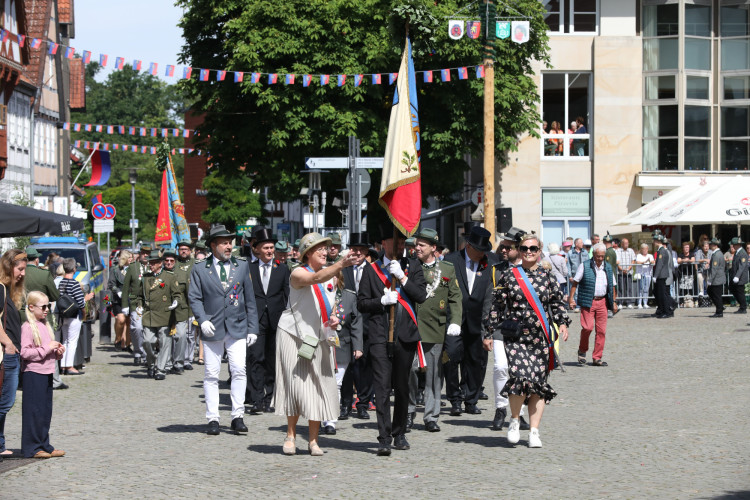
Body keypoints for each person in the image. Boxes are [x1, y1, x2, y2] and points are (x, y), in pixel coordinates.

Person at [273, 232, 357, 456]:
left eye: (326, 248)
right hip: (293, 335)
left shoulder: (331, 275)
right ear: (307, 253)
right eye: (319, 248)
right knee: (296, 387)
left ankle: (313, 440)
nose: (324, 251)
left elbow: (330, 303)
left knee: (319, 388)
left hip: (319, 337)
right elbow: (314, 279)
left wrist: (335, 318)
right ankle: (291, 436)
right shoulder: (298, 272)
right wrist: (340, 264)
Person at [486, 233, 570, 448]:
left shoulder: (548, 277)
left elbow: (557, 303)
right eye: (524, 248)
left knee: (538, 384)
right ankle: (514, 420)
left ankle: (534, 431)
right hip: (516, 338)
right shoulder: (510, 276)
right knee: (519, 378)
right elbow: (497, 306)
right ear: (520, 251)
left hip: (540, 337)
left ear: (539, 251)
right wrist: (488, 332)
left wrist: (562, 323)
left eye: (533, 249)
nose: (529, 252)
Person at [357, 221, 427, 456]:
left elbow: (421, 296)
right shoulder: (371, 269)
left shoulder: (413, 266)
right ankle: (384, 436)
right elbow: (362, 303)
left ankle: (400, 432)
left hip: (405, 336)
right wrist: (381, 302)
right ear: (384, 244)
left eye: (401, 242)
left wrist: (403, 278)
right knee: (382, 388)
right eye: (393, 242)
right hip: (379, 335)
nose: (398, 246)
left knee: (403, 387)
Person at [188, 225, 259, 436]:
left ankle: (237, 415)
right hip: (213, 327)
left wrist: (252, 328)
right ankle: (213, 418)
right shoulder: (200, 268)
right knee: (211, 373)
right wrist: (202, 320)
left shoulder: (241, 266)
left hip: (237, 325)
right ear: (213, 245)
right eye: (224, 243)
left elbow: (249, 299)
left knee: (238, 369)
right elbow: (194, 297)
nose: (229, 247)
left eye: (230, 242)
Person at [406, 228, 462, 433]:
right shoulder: (409, 266)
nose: (417, 247)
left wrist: (455, 321)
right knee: (410, 371)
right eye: (416, 244)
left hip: (434, 327)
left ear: (433, 248)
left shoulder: (446, 269)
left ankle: (431, 416)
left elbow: (455, 297)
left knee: (433, 374)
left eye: (421, 244)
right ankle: (409, 412)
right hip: (410, 327)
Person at [444, 226, 496, 417]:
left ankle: (471, 399)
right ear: (468, 246)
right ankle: (455, 399)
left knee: (477, 362)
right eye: (478, 250)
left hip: (478, 321)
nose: (481, 254)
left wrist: (488, 324)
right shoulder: (450, 261)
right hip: (453, 321)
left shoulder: (490, 264)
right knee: (449, 358)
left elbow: (491, 295)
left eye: (484, 251)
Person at [248, 227, 290, 414]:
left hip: (276, 318)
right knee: (256, 358)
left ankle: (270, 396)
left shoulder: (282, 269)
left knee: (273, 360)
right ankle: (256, 398)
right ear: (257, 249)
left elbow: (287, 295)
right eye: (265, 248)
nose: (269, 251)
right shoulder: (248, 268)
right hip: (255, 319)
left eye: (271, 248)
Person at [20, 291, 65, 458]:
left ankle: (44, 443)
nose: (47, 309)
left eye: (49, 306)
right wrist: (47, 348)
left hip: (46, 371)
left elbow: (47, 351)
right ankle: (32, 447)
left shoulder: (44, 325)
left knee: (45, 411)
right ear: (31, 308)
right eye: (43, 306)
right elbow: (25, 352)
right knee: (34, 411)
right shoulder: (27, 327)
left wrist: (57, 352)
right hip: (33, 373)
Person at [321, 259, 363, 435]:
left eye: (333, 277)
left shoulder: (349, 296)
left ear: (338, 278)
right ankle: (321, 418)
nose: (330, 280)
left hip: (342, 346)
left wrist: (358, 346)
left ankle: (331, 420)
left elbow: (356, 323)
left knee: (336, 384)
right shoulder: (316, 295)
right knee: (322, 384)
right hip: (320, 344)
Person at [339, 232, 374, 420]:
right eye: (355, 249)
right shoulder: (342, 269)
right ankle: (345, 404)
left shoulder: (374, 269)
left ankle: (363, 403)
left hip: (368, 323)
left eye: (362, 250)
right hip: (346, 325)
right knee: (346, 366)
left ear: (367, 251)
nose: (358, 253)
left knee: (365, 366)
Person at [23, 247, 65, 391]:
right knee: (48, 344)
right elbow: (54, 296)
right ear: (36, 260)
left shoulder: (17, 273)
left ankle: (20, 380)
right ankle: (54, 379)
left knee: (23, 347)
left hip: (20, 315)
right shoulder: (43, 274)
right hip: (41, 316)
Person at [569, 243, 615, 366]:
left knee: (601, 331)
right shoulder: (584, 266)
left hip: (602, 302)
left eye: (602, 256)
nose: (600, 259)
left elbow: (612, 285)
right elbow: (575, 282)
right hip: (588, 301)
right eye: (598, 256)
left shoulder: (608, 267)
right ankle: (582, 350)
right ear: (593, 254)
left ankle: (597, 357)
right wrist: (571, 298)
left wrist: (614, 302)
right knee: (587, 327)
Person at [137, 250, 180, 380]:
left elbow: (177, 293)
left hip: (164, 314)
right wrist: (139, 305)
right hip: (149, 315)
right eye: (150, 263)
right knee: (147, 341)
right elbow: (139, 295)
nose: (151, 265)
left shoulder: (170, 277)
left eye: (154, 263)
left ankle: (161, 369)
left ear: (160, 263)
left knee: (164, 342)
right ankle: (151, 364)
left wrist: (176, 301)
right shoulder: (146, 278)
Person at [0, 249, 27, 458]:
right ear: (9, 267)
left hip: (11, 353)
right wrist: (8, 343)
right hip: (5, 354)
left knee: (5, 403)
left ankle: (0, 445)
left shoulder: (9, 291)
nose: (23, 274)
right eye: (20, 269)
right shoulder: (0, 289)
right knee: (4, 402)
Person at [58, 258, 93, 375]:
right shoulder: (74, 283)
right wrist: (86, 300)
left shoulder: (62, 283)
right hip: (74, 315)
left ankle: (63, 366)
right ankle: (69, 366)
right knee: (72, 341)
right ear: (74, 269)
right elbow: (81, 303)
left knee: (65, 341)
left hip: (64, 315)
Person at [122, 246, 151, 365]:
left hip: (150, 304)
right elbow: (125, 287)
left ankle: (146, 354)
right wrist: (125, 305)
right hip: (136, 303)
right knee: (137, 327)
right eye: (143, 253)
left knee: (147, 330)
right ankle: (138, 352)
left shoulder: (153, 266)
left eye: (147, 253)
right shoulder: (133, 267)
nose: (145, 255)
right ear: (139, 254)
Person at [175, 241, 197, 371]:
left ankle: (188, 359)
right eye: (181, 249)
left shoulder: (195, 264)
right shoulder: (174, 264)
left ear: (190, 251)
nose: (183, 251)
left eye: (186, 249)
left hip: (192, 303)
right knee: (178, 334)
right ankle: (178, 358)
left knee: (190, 334)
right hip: (179, 304)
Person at [108, 250, 132, 352]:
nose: (131, 259)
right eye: (129, 257)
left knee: (129, 321)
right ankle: (118, 339)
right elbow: (111, 284)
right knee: (121, 319)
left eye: (132, 257)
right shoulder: (115, 270)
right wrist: (117, 291)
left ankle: (127, 344)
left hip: (130, 298)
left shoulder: (133, 269)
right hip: (119, 299)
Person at [653, 235, 674, 318]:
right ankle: (664, 310)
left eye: (655, 241)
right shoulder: (661, 250)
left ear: (658, 242)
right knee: (661, 293)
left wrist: (655, 276)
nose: (654, 242)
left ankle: (667, 311)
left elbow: (659, 264)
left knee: (663, 295)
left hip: (661, 275)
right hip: (661, 275)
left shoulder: (662, 251)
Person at [707, 238, 726, 318]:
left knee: (716, 295)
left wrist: (710, 279)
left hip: (717, 278)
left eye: (711, 244)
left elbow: (714, 269)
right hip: (718, 278)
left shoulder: (717, 254)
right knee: (711, 292)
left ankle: (719, 311)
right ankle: (720, 308)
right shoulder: (717, 253)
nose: (710, 245)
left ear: (715, 245)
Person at [729, 237, 748, 314]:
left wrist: (737, 276)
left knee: (740, 292)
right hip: (735, 275)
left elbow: (742, 266)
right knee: (732, 288)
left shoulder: (742, 253)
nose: (733, 246)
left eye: (734, 245)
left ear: (738, 245)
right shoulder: (737, 252)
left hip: (740, 276)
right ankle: (742, 305)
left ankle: (743, 307)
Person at [616, 238, 636, 308]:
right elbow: (617, 261)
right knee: (621, 288)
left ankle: (629, 302)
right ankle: (620, 302)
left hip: (629, 272)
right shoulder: (618, 251)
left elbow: (633, 260)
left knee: (629, 288)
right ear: (622, 244)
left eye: (627, 243)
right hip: (620, 272)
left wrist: (628, 268)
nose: (626, 244)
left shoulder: (631, 251)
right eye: (625, 243)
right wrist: (622, 269)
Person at [634, 243, 655, 308]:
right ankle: (639, 303)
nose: (645, 250)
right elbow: (637, 262)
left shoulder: (650, 255)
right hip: (641, 274)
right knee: (641, 288)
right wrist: (645, 261)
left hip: (648, 274)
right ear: (641, 249)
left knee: (646, 289)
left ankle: (645, 302)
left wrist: (650, 261)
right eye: (643, 249)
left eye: (646, 249)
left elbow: (653, 262)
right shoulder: (639, 255)